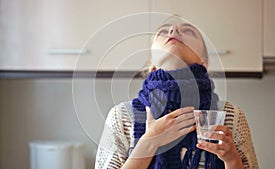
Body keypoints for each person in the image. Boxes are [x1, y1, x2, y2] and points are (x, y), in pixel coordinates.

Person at [95, 16, 258, 169]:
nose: (173, 31)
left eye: (188, 31)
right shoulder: (121, 116)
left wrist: (232, 160)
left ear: (204, 62)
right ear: (152, 67)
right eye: (163, 32)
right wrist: (149, 143)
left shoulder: (230, 116)